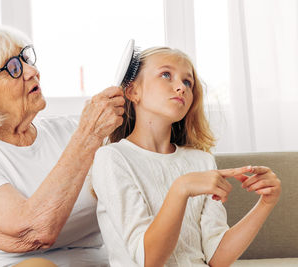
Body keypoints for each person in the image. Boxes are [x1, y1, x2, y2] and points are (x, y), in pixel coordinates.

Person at [0, 25, 125, 267]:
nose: (32, 71)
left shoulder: (71, 131)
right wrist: (87, 136)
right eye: (13, 68)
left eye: (26, 58)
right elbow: (32, 232)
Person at [91, 47, 281, 267]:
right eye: (166, 75)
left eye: (188, 82)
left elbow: (217, 258)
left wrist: (266, 202)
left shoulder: (201, 161)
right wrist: (181, 188)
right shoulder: (112, 159)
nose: (181, 87)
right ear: (133, 91)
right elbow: (148, 260)